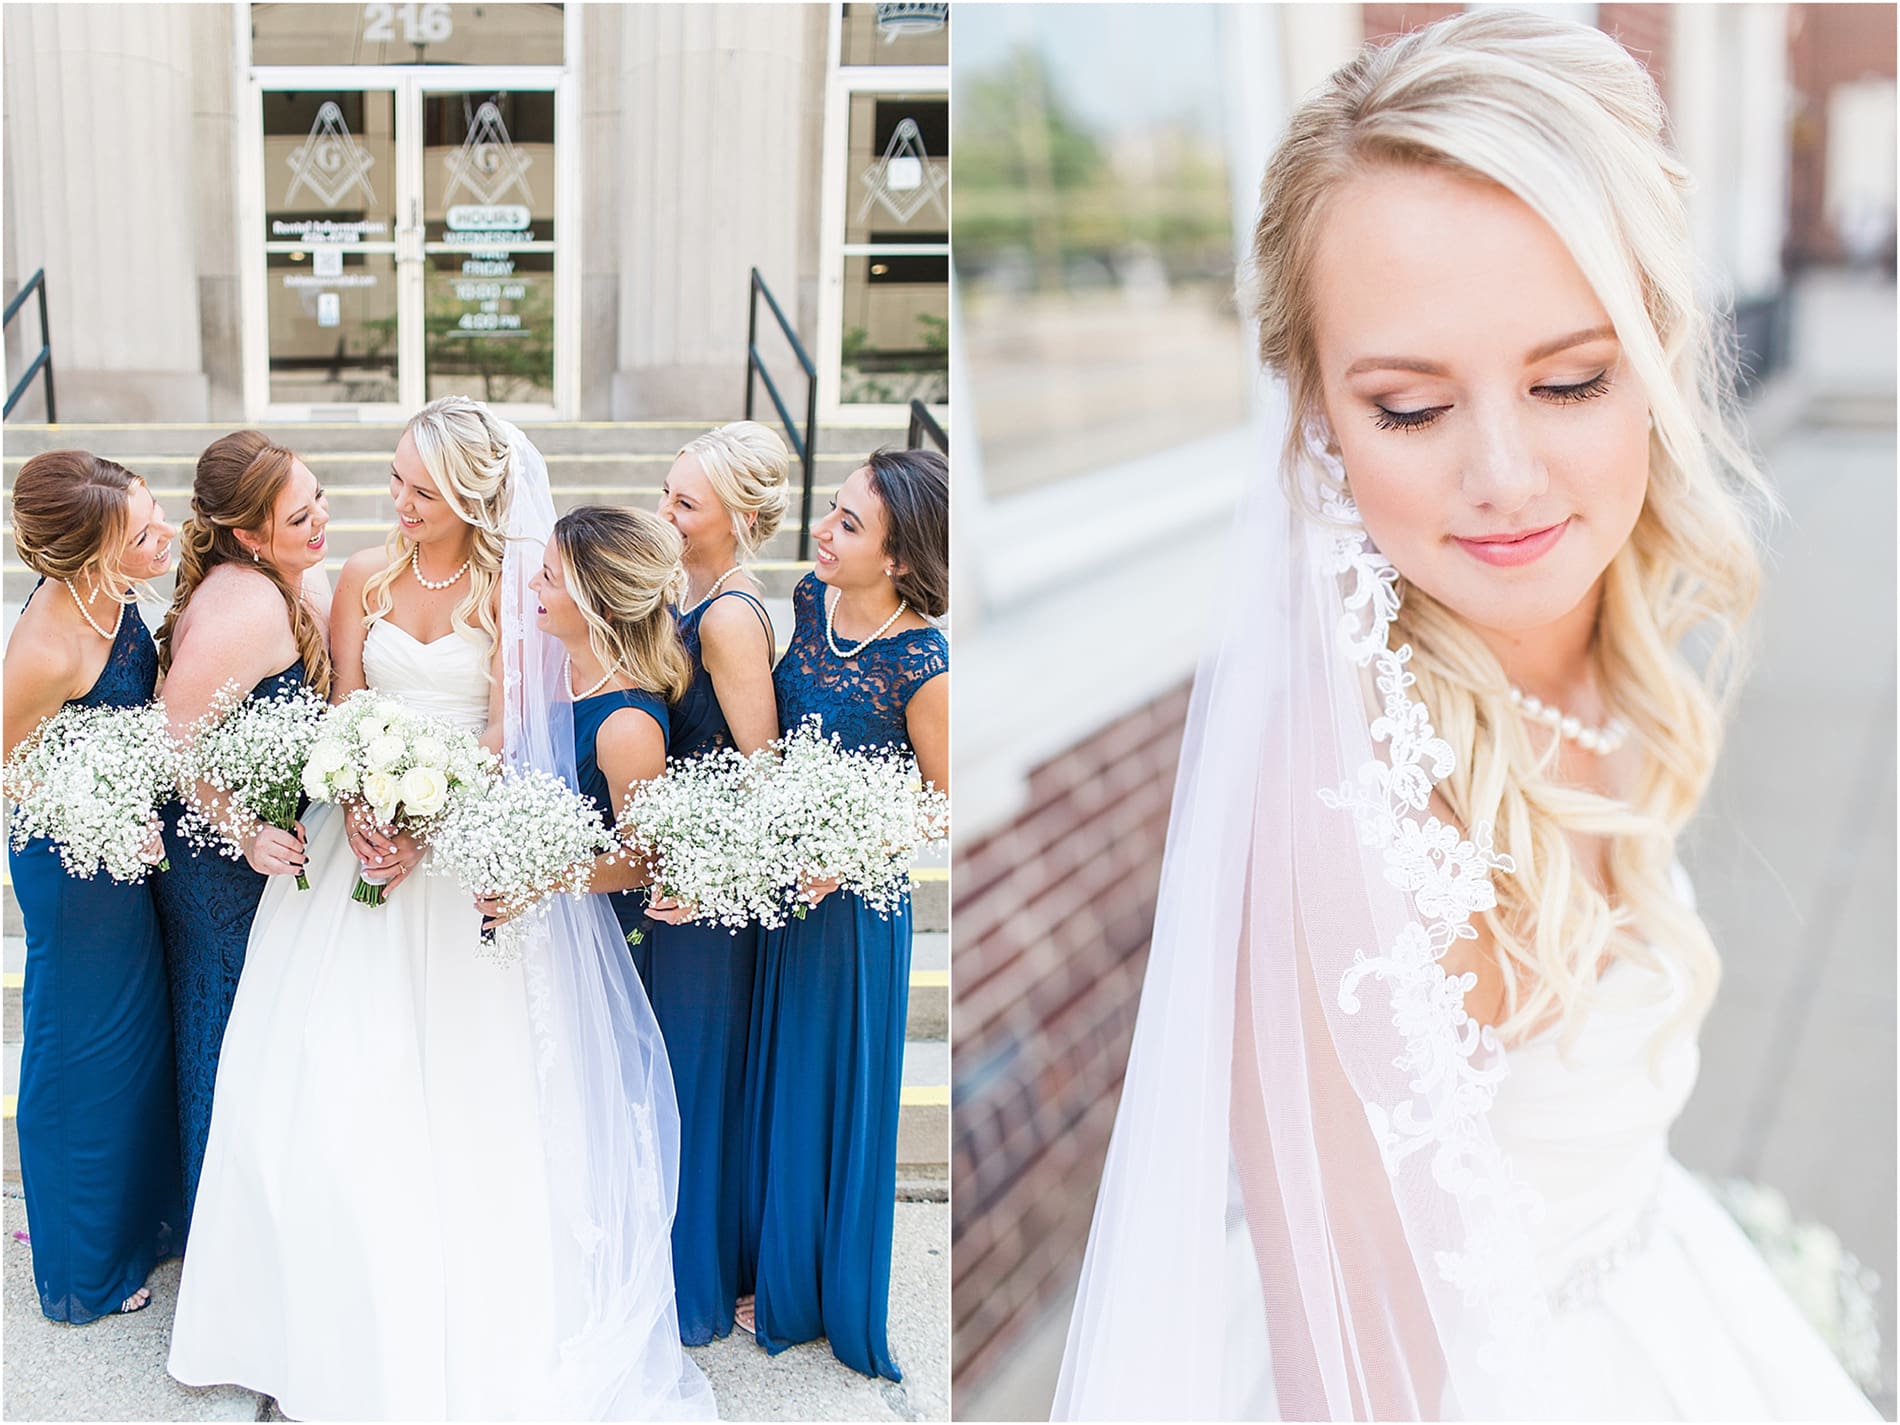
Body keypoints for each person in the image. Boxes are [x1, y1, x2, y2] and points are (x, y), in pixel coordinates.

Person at [1053, 12, 1879, 1421]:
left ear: (1661, 353)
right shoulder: (1350, 820)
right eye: (1413, 407)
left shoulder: (1605, 640)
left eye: (1569, 381)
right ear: (1317, 410)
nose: (1504, 476)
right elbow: (1355, 1379)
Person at [168, 397, 713, 1419]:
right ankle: (309, 1325)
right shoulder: (362, 580)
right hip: (349, 857)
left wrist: (432, 823)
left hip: (461, 859)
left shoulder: (515, 596)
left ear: (469, 494)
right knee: (324, 1079)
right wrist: (360, 801)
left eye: (420, 490)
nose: (398, 503)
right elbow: (339, 713)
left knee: (460, 1096)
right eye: (395, 483)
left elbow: (515, 744)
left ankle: (445, 1325)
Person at [745, 447, 949, 1379]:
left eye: (849, 524)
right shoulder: (803, 604)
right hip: (785, 892)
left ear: (900, 557)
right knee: (783, 1080)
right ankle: (777, 1278)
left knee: (838, 1089)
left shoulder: (922, 660)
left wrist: (853, 848)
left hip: (857, 907)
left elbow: (947, 798)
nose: (823, 531)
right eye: (830, 511)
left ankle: (834, 1294)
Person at [3, 451, 183, 1319]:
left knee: (132, 1043)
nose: (165, 534)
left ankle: (126, 1222)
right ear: (87, 553)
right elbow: (6, 762)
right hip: (71, 857)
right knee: (80, 1054)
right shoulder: (44, 646)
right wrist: (98, 809)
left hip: (122, 845)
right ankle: (80, 1273)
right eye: (143, 531)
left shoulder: (112, 590)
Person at [152, 430, 331, 1231]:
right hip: (220, 873)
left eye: (318, 496)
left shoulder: (276, 578)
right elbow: (171, 742)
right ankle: (220, 1242)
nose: (321, 519)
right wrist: (247, 830)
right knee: (226, 1046)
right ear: (249, 536)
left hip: (257, 864)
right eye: (301, 516)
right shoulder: (247, 603)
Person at [641, 421, 787, 1344]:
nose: (665, 509)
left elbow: (764, 771)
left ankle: (691, 1287)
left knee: (689, 1084)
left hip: (707, 899)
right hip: (672, 884)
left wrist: (703, 873)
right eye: (667, 490)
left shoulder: (729, 616)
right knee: (666, 1079)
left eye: (684, 501)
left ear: (734, 519)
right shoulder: (686, 592)